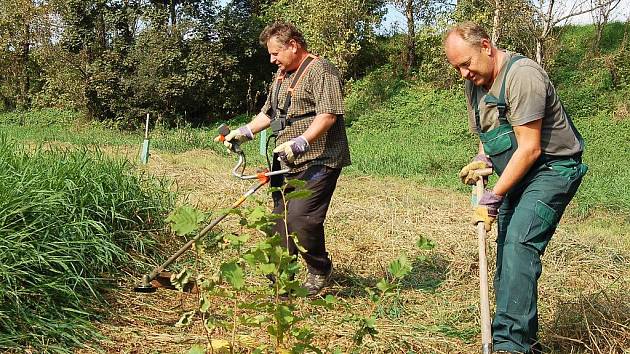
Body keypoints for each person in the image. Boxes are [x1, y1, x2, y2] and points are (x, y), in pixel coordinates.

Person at [444, 22, 588, 354]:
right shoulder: (475, 86)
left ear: (485, 46)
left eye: (466, 63)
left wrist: (494, 196)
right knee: (506, 248)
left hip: (552, 168)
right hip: (518, 171)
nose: (463, 73)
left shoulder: (522, 75)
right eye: (457, 68)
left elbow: (530, 148)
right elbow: (488, 137)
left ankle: (512, 344)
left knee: (520, 243)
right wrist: (483, 161)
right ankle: (522, 339)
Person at [215, 22, 351, 296]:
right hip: (285, 161)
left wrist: (302, 141)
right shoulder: (281, 75)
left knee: (302, 219)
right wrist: (243, 133)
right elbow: (268, 114)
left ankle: (319, 269)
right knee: (279, 220)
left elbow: (328, 115)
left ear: (293, 45)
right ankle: (281, 281)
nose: (272, 59)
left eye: (276, 53)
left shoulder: (322, 71)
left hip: (319, 159)